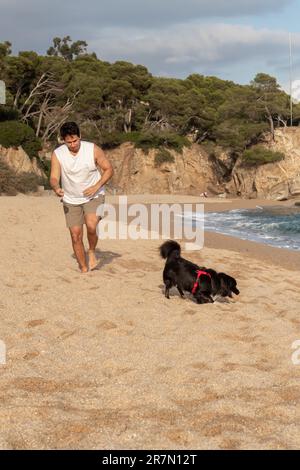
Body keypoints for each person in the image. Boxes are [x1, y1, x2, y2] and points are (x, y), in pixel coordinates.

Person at [50, 122, 114, 273]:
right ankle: (84, 268)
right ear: (63, 140)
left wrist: (97, 186)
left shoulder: (92, 149)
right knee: (75, 235)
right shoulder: (58, 154)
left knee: (91, 226)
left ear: (80, 136)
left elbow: (108, 169)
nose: (72, 145)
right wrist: (56, 187)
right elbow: (53, 177)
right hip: (71, 199)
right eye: (69, 142)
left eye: (75, 140)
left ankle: (91, 250)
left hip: (94, 195)